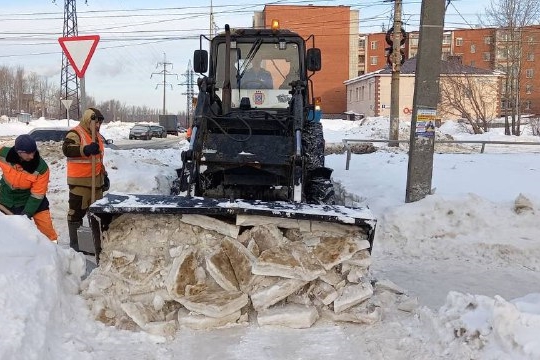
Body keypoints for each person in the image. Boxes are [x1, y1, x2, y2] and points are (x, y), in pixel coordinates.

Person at [62, 107, 109, 252]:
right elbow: (67, 149)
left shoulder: (97, 137)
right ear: (89, 120)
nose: (98, 126)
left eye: (100, 123)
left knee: (97, 213)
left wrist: (104, 176)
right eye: (96, 123)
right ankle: (75, 246)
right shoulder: (76, 133)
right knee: (76, 213)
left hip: (96, 182)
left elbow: (98, 160)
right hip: (80, 183)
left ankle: (95, 242)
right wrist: (85, 149)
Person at [0, 134, 58, 242]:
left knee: (47, 230)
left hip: (32, 199)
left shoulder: (41, 167)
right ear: (19, 152)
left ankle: (54, 251)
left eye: (34, 152)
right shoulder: (4, 154)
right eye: (28, 153)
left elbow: (37, 194)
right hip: (6, 198)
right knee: (8, 231)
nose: (32, 156)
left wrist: (27, 213)